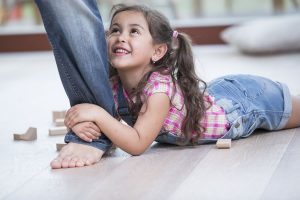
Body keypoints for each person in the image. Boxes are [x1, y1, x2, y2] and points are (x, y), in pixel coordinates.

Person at [38, 1, 300, 169]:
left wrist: (96, 114)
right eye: (115, 29)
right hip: (216, 96)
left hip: (242, 105)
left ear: (157, 51)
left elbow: (138, 144)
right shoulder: (114, 84)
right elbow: (116, 130)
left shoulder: (159, 91)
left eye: (134, 31)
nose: (120, 36)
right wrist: (85, 124)